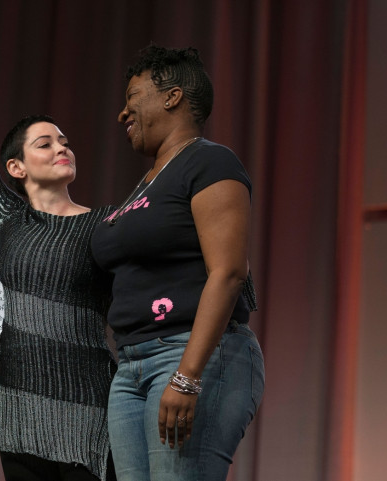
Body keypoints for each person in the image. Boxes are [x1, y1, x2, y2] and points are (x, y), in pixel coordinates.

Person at [0, 19, 116, 481]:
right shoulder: (10, 218)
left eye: (65, 142)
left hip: (89, 411)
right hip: (20, 412)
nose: (62, 147)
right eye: (46, 143)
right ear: (16, 167)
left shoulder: (106, 224)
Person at [90, 45, 265, 480]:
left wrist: (188, 377)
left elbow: (227, 273)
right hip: (131, 366)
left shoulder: (209, 162)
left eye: (133, 97)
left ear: (171, 97)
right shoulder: (145, 185)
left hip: (189, 354)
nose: (121, 113)